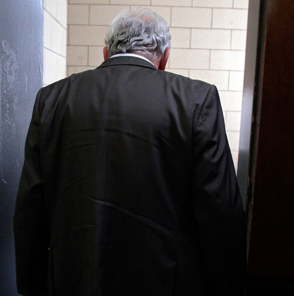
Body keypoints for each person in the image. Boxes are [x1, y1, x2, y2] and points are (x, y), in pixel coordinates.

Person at [13, 8, 246, 296]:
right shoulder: (196, 100)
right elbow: (220, 209)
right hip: (165, 281)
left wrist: (31, 284)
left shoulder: (52, 99)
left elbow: (31, 205)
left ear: (105, 52)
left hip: (73, 277)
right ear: (164, 57)